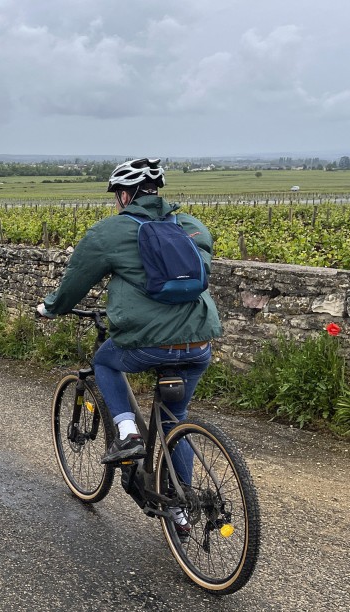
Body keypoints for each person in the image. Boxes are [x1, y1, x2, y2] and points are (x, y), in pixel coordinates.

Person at [36, 158, 221, 531]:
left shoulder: (111, 232)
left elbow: (75, 284)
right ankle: (181, 508)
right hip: (199, 340)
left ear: (124, 194)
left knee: (105, 361)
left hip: (149, 342)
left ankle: (127, 431)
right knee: (174, 421)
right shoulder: (191, 226)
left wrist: (50, 308)